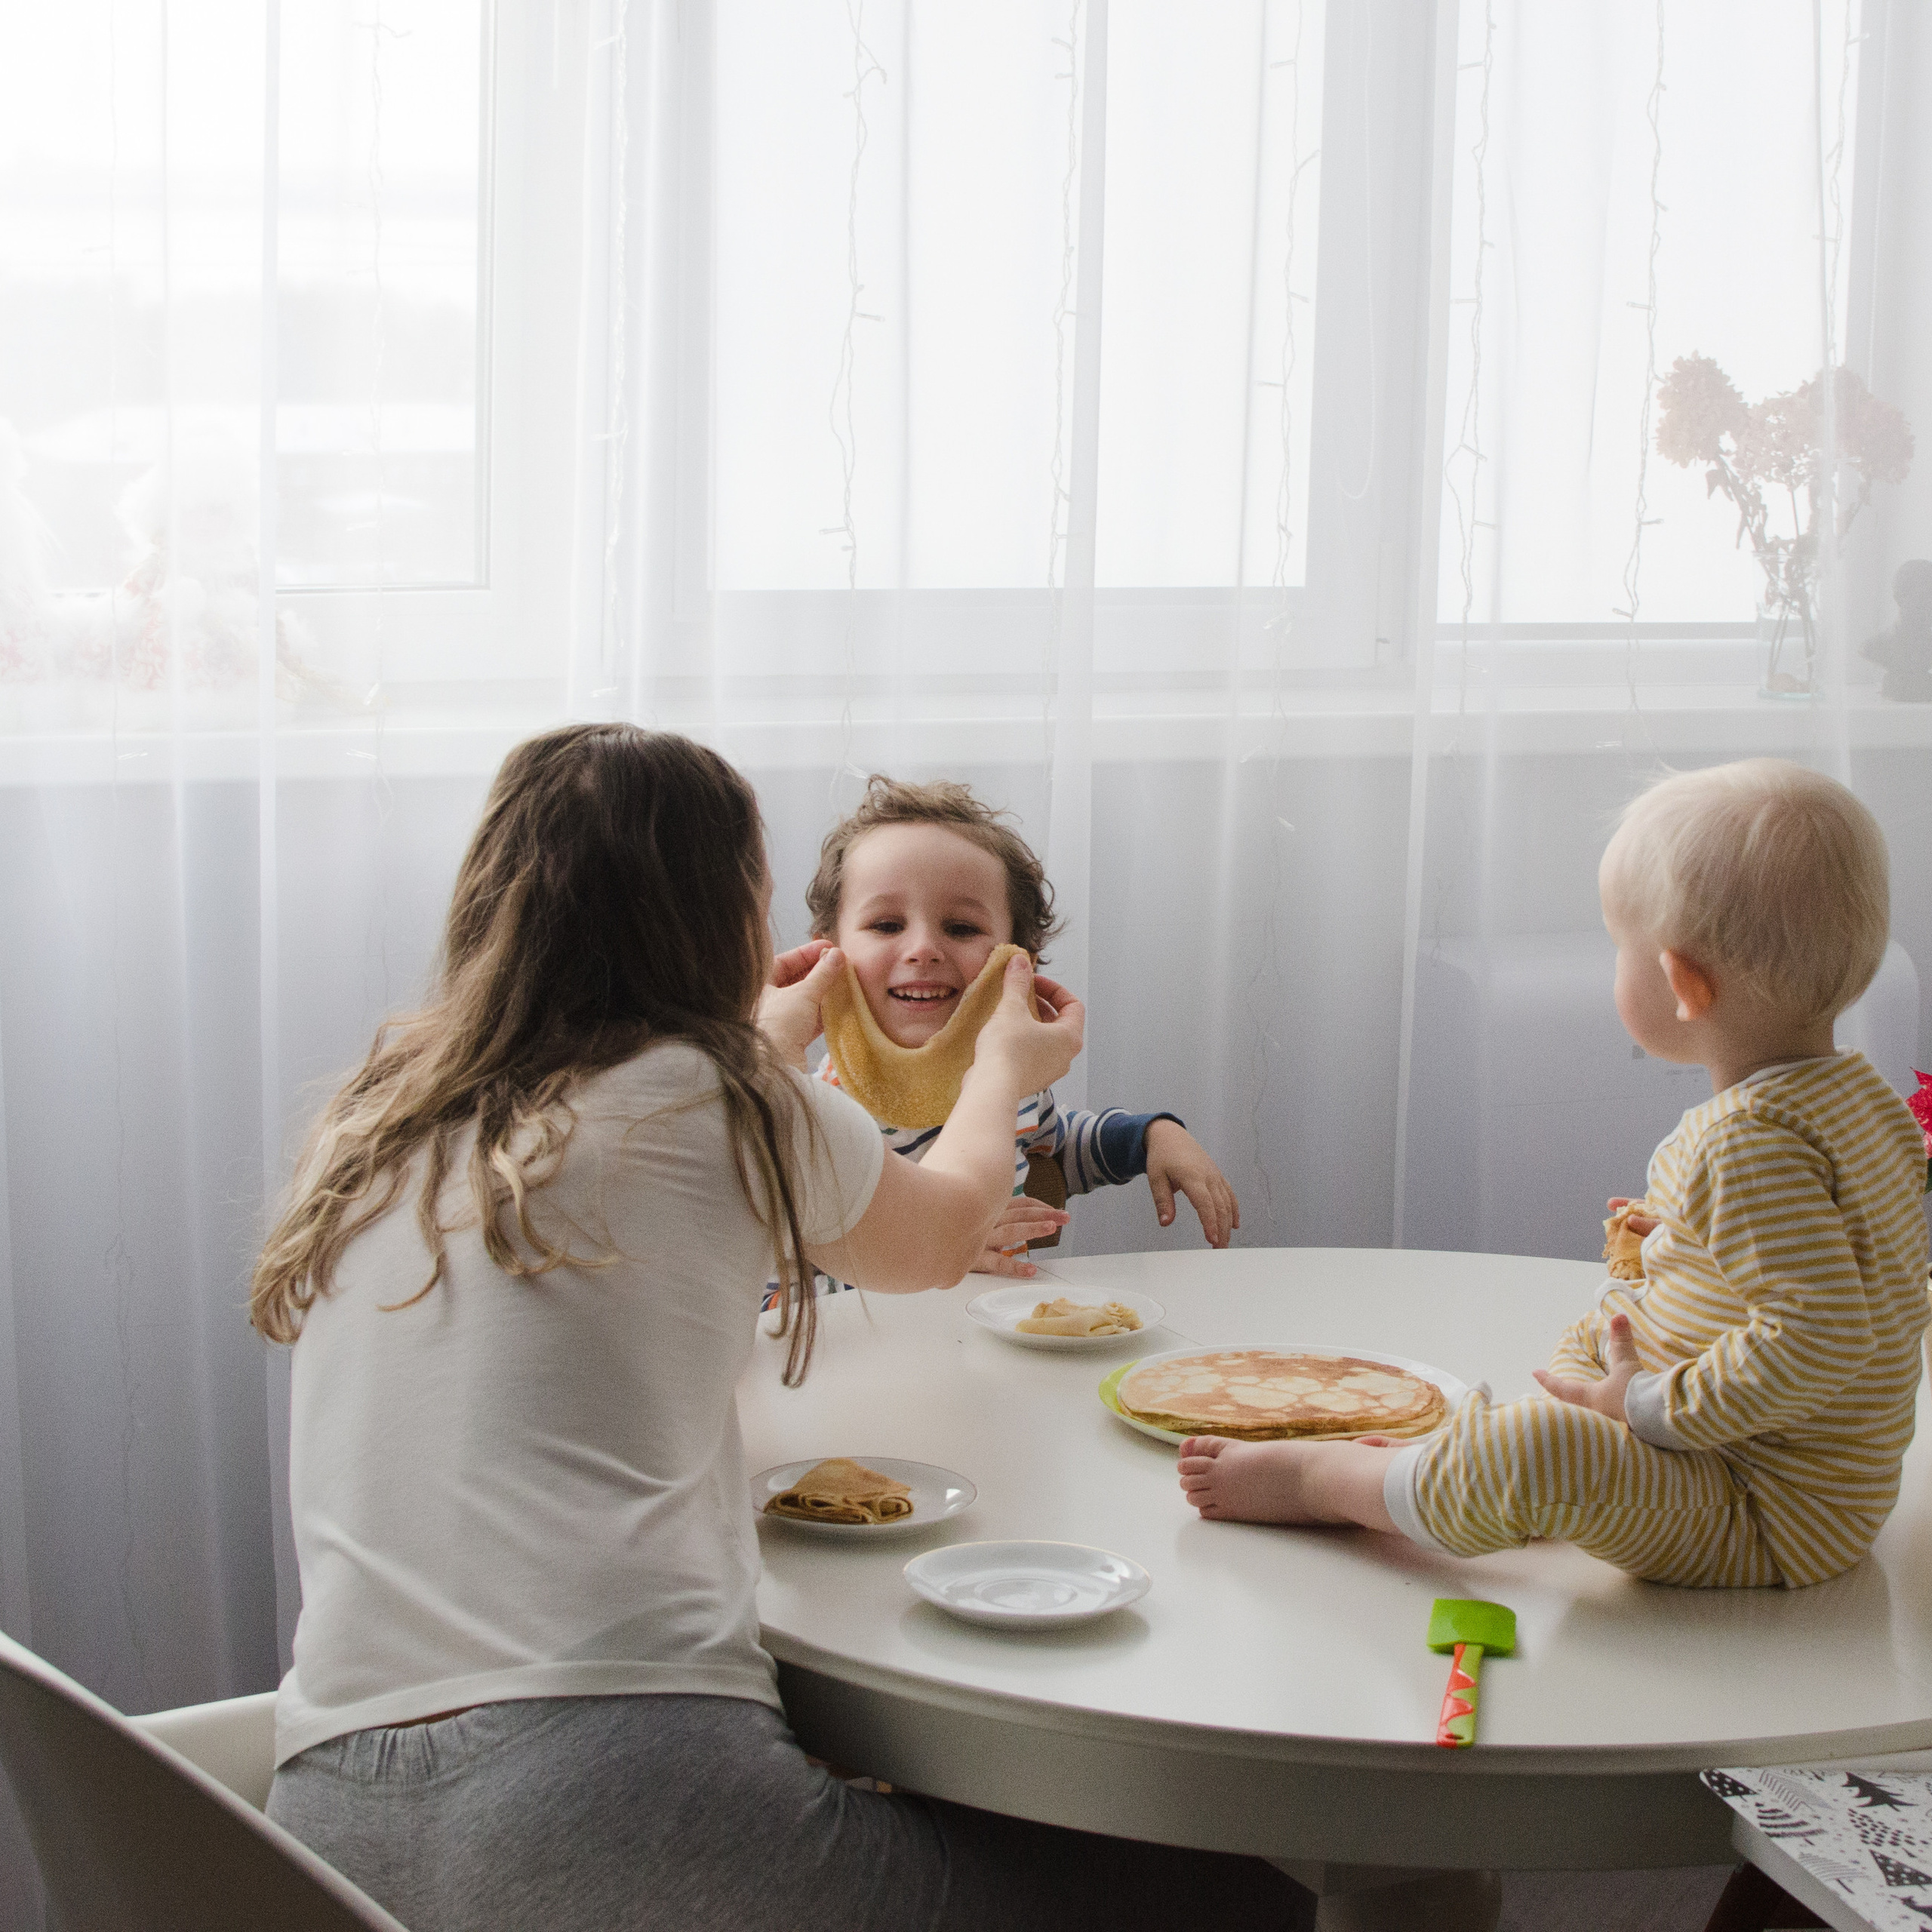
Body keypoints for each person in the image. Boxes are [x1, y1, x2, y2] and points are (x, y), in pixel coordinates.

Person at [254, 724, 1309, 1932]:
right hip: (606, 1792)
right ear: (724, 916)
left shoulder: (385, 1116)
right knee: (1237, 1903)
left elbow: (653, 1155)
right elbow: (934, 1240)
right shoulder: (728, 1100)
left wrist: (782, 1036)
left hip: (327, 1825)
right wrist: (1001, 1071)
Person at [1180, 758, 1930, 1589]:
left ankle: (1332, 1484)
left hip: (1762, 1507)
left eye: (1621, 949)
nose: (1617, 965)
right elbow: (1862, 1261)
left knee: (1544, 1443)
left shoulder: (1747, 1142)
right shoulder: (1859, 1097)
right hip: (1801, 1479)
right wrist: (1681, 1247)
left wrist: (1642, 1407)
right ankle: (1486, 1476)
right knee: (1589, 1339)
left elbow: (1821, 1337)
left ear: (1683, 984)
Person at [781, 775, 1239, 1279]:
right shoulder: (814, 1115)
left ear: (1015, 959)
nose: (922, 949)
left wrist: (1151, 1136)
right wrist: (941, 1251)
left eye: (960, 928)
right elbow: (778, 1297)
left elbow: (1057, 1145)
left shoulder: (1010, 1082)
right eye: (887, 925)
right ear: (827, 954)